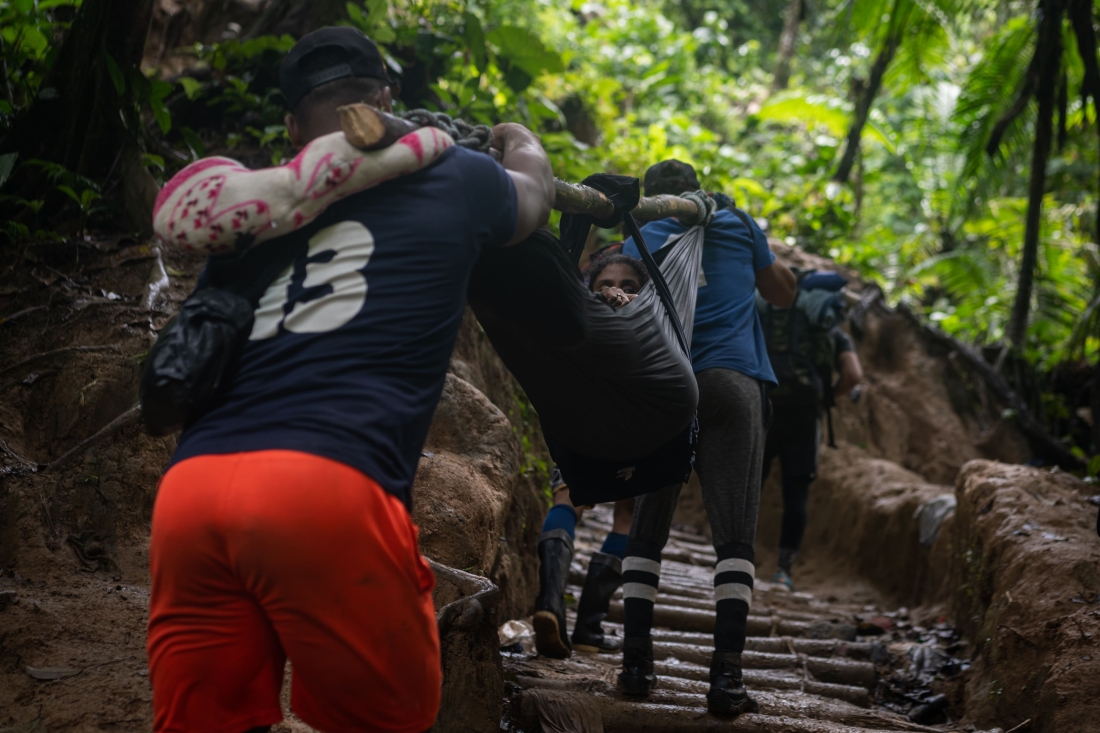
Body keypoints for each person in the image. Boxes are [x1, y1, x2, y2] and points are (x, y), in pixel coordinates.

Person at [145, 27, 554, 733]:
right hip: (327, 487)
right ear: (386, 101)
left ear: (292, 129)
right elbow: (534, 197)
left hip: (192, 494)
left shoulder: (252, 216)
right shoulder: (453, 175)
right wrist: (516, 136)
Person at [617, 160, 796, 717]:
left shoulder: (642, 233)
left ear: (652, 198)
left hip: (668, 381)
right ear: (697, 189)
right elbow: (783, 294)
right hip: (733, 381)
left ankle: (635, 665)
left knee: (647, 526)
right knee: (734, 534)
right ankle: (725, 678)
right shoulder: (738, 224)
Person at [532, 252, 647, 658]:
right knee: (627, 515)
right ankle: (588, 627)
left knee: (567, 499)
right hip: (618, 421)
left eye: (630, 286)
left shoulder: (581, 315)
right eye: (607, 285)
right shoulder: (635, 322)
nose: (617, 291)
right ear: (590, 290)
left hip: (586, 422)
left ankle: (550, 605)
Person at [760, 276, 863, 591]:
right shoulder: (829, 329)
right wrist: (827, 396)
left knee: (749, 485)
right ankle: (783, 572)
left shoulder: (768, 316)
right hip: (805, 414)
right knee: (796, 494)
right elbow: (854, 375)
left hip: (764, 408)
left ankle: (731, 559)